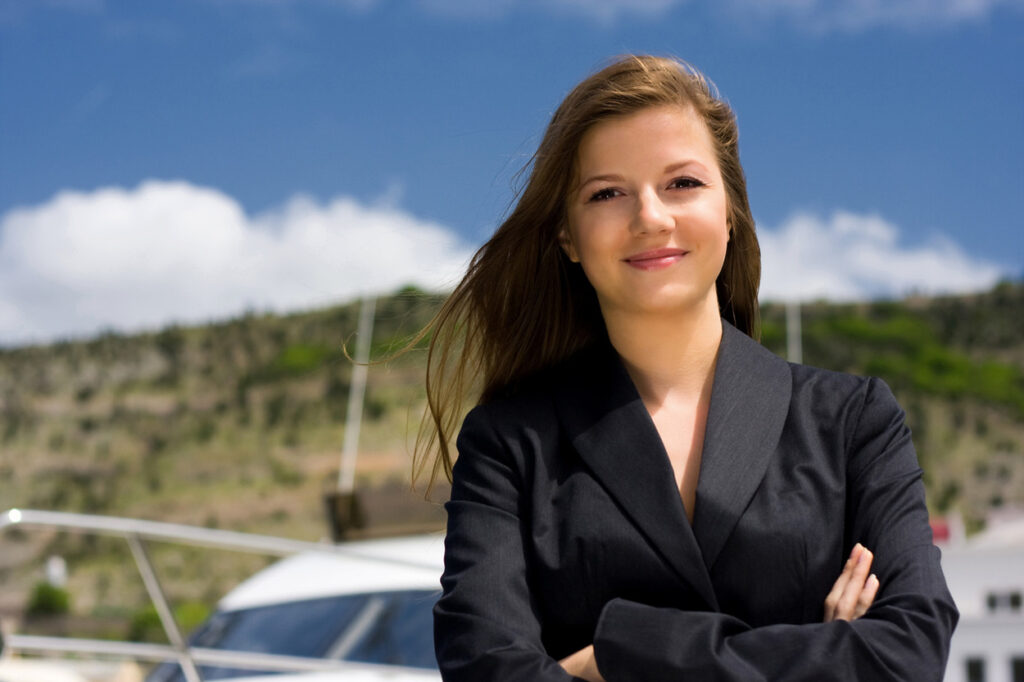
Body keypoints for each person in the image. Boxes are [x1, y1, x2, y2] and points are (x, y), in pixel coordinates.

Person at [418, 55, 958, 681]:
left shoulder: (853, 421)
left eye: (682, 184)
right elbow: (485, 668)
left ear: (730, 210)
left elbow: (910, 652)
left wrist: (619, 653)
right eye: (608, 193)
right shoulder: (509, 442)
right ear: (567, 234)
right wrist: (814, 652)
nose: (650, 216)